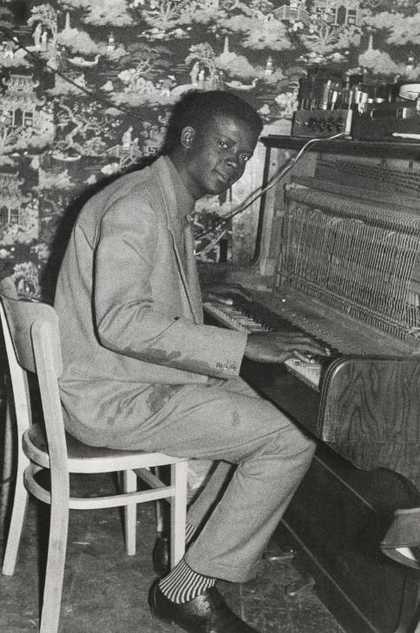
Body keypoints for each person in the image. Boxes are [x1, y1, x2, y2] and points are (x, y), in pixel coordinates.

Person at [54, 90, 328, 633]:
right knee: (291, 438)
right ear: (187, 138)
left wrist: (231, 331)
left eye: (244, 155)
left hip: (125, 379)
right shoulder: (138, 207)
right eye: (224, 146)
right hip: (110, 396)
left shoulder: (160, 196)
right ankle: (185, 590)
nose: (235, 163)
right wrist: (243, 346)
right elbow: (121, 323)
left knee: (277, 404)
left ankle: (187, 544)